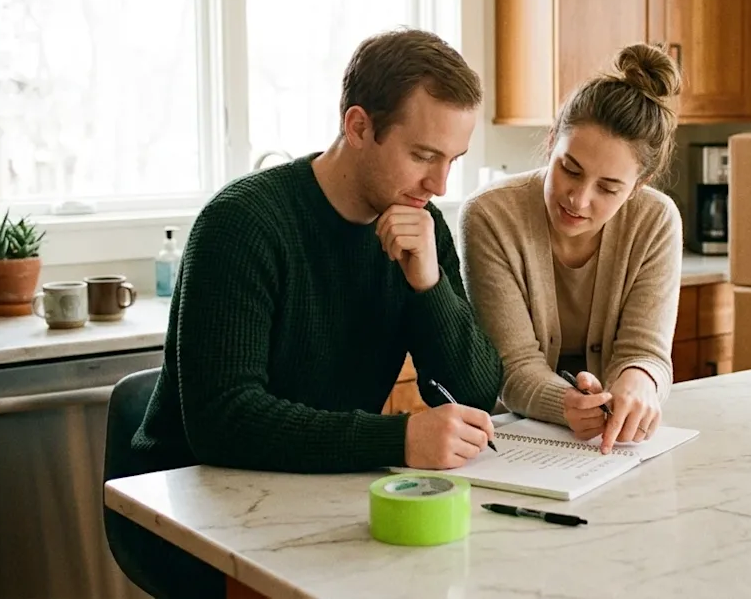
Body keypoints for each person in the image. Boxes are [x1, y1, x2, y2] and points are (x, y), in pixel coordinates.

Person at [130, 28, 503, 477]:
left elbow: (475, 396)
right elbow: (222, 422)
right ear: (359, 127)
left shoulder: (421, 227)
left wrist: (429, 286)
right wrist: (397, 439)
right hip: (185, 500)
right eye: (423, 156)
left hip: (314, 489)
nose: (440, 185)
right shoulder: (242, 223)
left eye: (452, 160)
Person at [460, 43, 684, 455]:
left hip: (611, 443)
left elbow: (645, 351)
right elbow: (513, 365)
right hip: (512, 439)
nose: (579, 200)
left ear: (640, 185)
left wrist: (638, 382)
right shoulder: (491, 216)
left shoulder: (656, 221)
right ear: (551, 143)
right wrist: (566, 404)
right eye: (570, 170)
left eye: (608, 187)